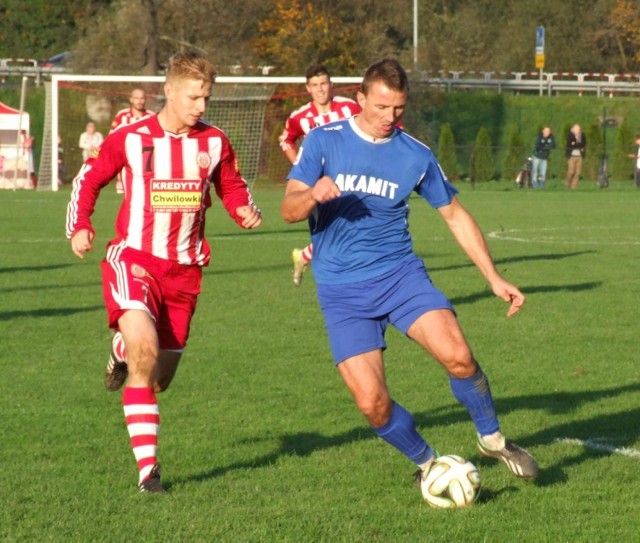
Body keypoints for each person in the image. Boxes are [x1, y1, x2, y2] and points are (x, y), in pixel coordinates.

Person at [280, 58, 538, 494]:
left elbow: (455, 215)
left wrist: (493, 277)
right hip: (342, 292)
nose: (389, 118)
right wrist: (311, 195)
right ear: (360, 99)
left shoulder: (414, 154)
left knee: (459, 355)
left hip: (400, 277)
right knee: (372, 404)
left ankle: (492, 439)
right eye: (381, 107)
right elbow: (287, 210)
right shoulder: (324, 142)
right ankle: (428, 463)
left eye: (398, 109)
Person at [66, 51, 263, 493]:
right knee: (146, 352)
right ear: (169, 91)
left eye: (206, 98)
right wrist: (80, 226)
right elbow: (89, 178)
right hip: (133, 259)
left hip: (185, 273)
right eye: (194, 97)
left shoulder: (214, 142)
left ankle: (121, 348)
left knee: (160, 377)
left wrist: (243, 209)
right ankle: (148, 474)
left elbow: (230, 184)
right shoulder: (130, 137)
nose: (201, 107)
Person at [278, 63, 361, 286]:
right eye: (315, 85)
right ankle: (310, 260)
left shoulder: (350, 108)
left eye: (323, 83)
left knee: (351, 229)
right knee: (328, 232)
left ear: (331, 85)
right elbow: (285, 139)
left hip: (350, 178)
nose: (320, 89)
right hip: (318, 185)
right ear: (308, 89)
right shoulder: (300, 117)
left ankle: (306, 257)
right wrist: (301, 166)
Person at [110, 88, 155, 193]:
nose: (139, 101)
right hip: (125, 162)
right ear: (131, 99)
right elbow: (112, 136)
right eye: (136, 98)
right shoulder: (122, 115)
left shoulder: (151, 116)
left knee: (145, 193)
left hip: (146, 162)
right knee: (126, 193)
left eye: (142, 98)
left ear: (145, 99)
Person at [565, 124, 586, 189]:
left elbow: (583, 144)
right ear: (573, 129)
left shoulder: (582, 135)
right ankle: (567, 183)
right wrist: (577, 145)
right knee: (571, 171)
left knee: (578, 172)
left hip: (579, 156)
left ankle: (573, 187)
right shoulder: (570, 135)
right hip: (572, 156)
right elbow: (570, 144)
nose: (577, 131)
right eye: (576, 129)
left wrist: (575, 144)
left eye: (578, 129)